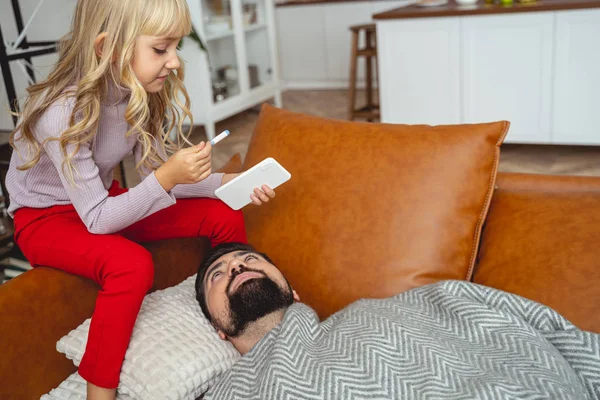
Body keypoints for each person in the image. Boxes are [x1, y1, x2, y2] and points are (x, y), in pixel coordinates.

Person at [5, 1, 275, 398]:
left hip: (101, 201)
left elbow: (155, 180)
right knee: (130, 264)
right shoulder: (62, 112)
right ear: (107, 49)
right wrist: (167, 177)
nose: (176, 62)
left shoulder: (138, 91)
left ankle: (239, 318)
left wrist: (227, 181)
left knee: (222, 212)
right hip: (45, 220)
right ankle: (100, 392)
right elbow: (102, 218)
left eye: (176, 47)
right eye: (161, 49)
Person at [195, 242, 600, 400]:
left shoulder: (428, 301)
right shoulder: (226, 392)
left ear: (293, 292)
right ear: (218, 328)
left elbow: (555, 334)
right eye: (219, 273)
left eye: (250, 260)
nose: (236, 266)